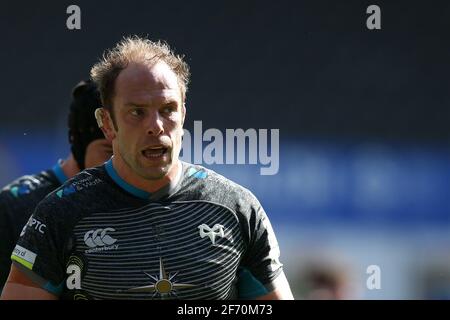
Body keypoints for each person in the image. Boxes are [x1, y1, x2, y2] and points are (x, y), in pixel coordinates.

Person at [1, 36, 293, 300]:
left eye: (168, 110)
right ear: (107, 123)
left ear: (183, 115)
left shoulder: (237, 208)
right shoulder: (61, 212)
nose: (155, 126)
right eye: (136, 112)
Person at [0, 79, 112, 292]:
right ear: (79, 144)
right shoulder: (14, 208)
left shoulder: (141, 204)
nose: (121, 163)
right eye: (109, 152)